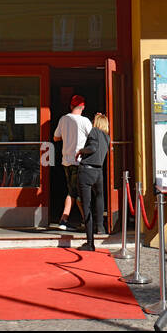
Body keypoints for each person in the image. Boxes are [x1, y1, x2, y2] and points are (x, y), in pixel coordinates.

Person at [51, 95, 91, 231]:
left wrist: (67, 135)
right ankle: (78, 220)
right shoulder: (85, 121)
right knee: (78, 193)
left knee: (72, 191)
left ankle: (69, 220)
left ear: (71, 106)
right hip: (79, 161)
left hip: (66, 161)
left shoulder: (63, 119)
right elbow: (93, 139)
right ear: (83, 107)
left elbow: (55, 137)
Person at [76, 112, 112, 251]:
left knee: (86, 205)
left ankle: (90, 243)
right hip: (98, 172)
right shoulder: (107, 138)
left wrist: (81, 151)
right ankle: (100, 227)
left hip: (86, 171)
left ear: (96, 123)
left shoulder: (94, 132)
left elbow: (93, 148)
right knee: (99, 199)